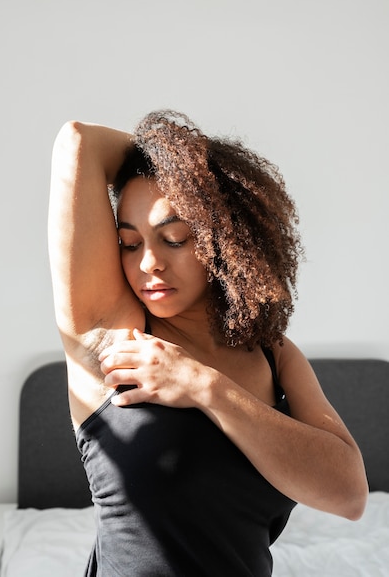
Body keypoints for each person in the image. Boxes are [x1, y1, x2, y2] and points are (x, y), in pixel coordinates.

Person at [48, 110, 368, 576]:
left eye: (174, 238)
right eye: (130, 243)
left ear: (223, 239)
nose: (149, 264)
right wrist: (167, 162)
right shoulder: (112, 335)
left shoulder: (273, 354)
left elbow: (349, 495)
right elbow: (78, 142)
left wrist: (203, 386)